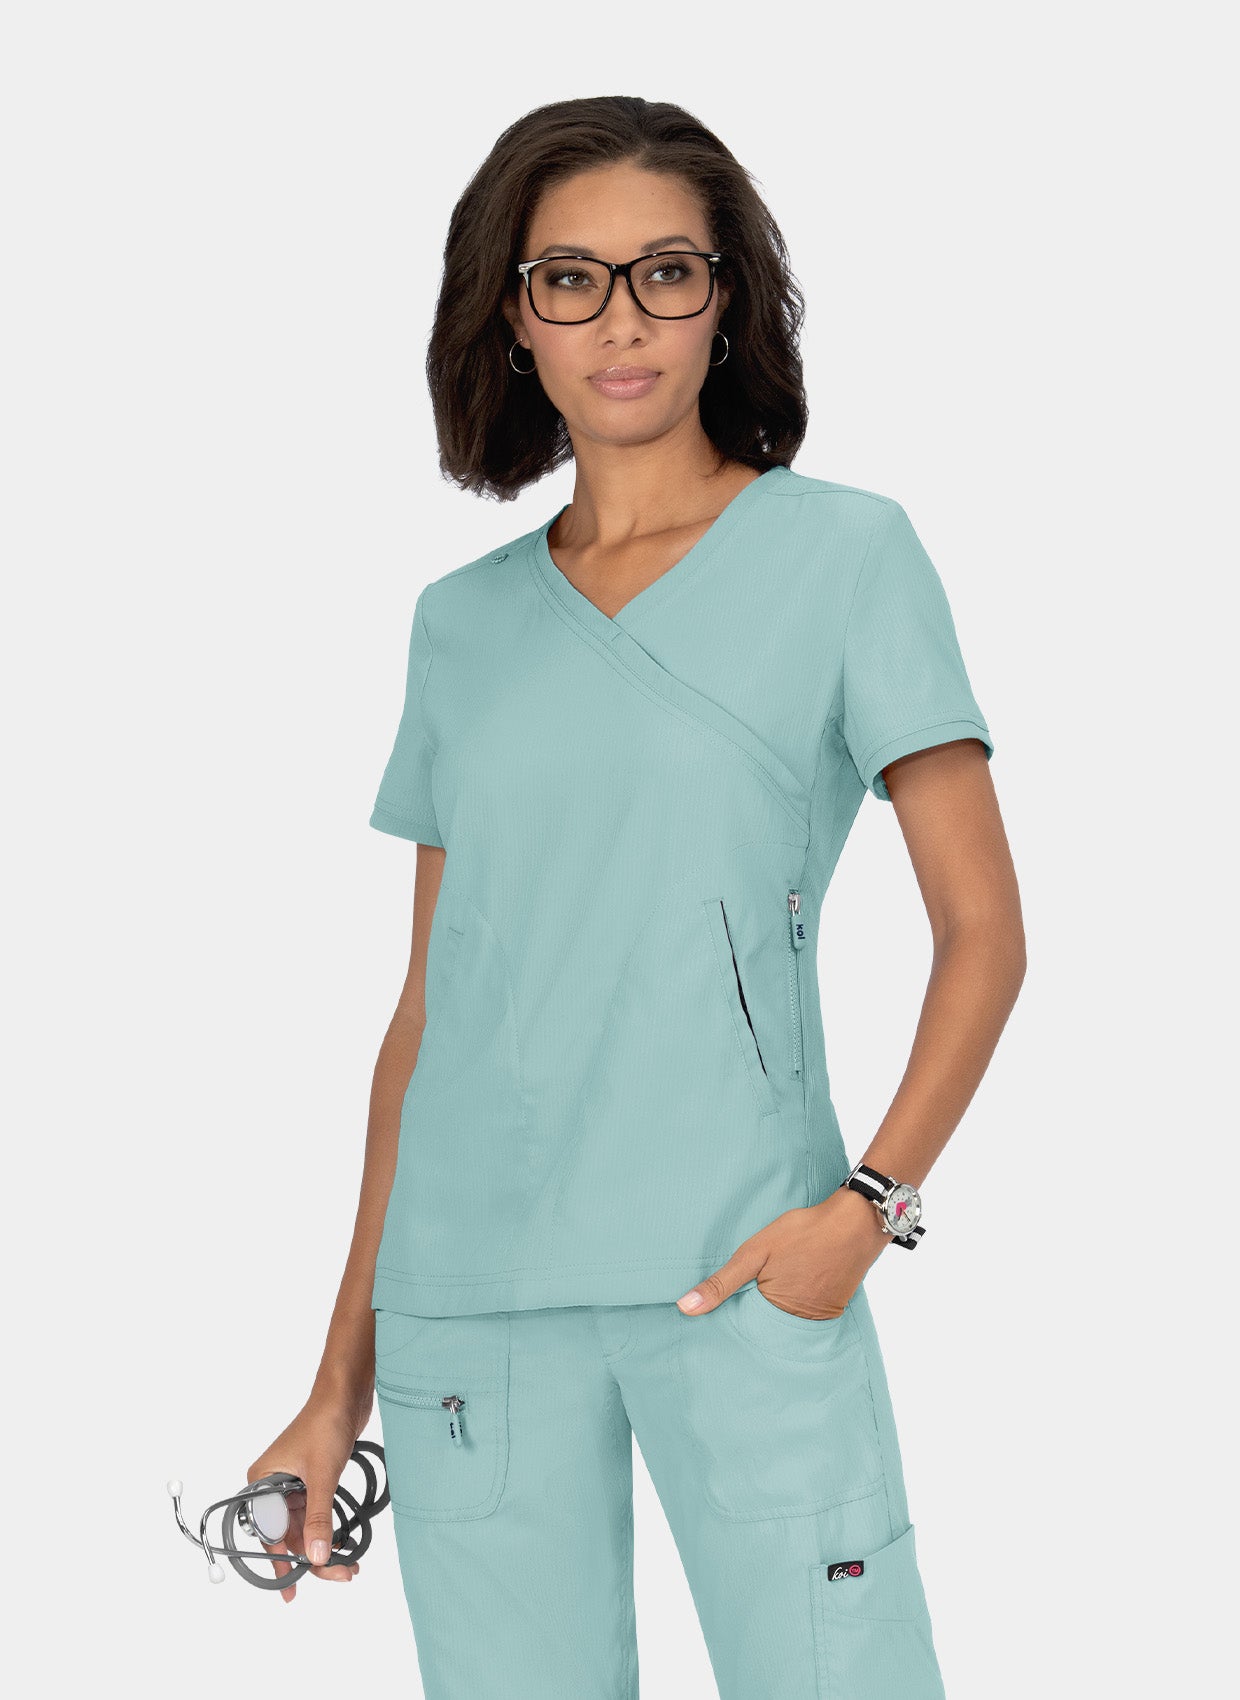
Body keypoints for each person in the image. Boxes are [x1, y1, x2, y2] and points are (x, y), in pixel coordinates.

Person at [246, 94, 1025, 1700]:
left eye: (666, 272)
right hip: (470, 1307)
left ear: (725, 299)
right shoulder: (460, 625)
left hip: (747, 1271)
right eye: (569, 279)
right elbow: (428, 1017)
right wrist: (337, 1387)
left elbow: (985, 935)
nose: (621, 321)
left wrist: (866, 1210)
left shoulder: (846, 557)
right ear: (511, 316)